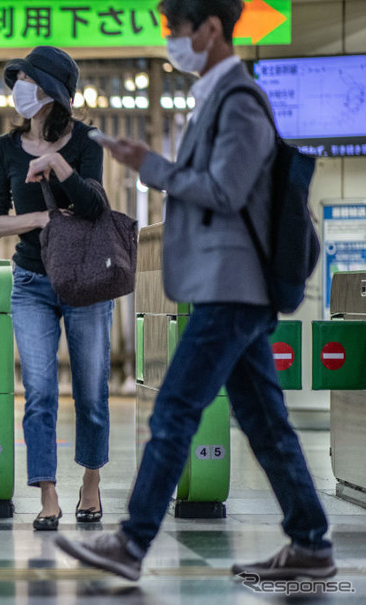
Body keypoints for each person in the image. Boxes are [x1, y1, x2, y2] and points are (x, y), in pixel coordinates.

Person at [55, 0, 336, 582]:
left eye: (177, 30)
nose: (172, 41)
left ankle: (131, 543)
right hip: (229, 288)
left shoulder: (240, 102)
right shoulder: (213, 96)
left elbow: (225, 190)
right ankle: (310, 541)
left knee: (176, 410)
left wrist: (148, 165)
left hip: (232, 290)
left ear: (211, 29)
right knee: (266, 422)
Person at [0, 46, 112, 531]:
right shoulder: (5, 147)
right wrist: (38, 218)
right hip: (32, 281)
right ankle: (48, 493)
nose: (20, 89)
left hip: (85, 281)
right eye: (18, 80)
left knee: (92, 393)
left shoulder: (86, 142)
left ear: (53, 93)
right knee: (39, 391)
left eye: (30, 82)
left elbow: (95, 206)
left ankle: (91, 482)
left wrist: (59, 167)